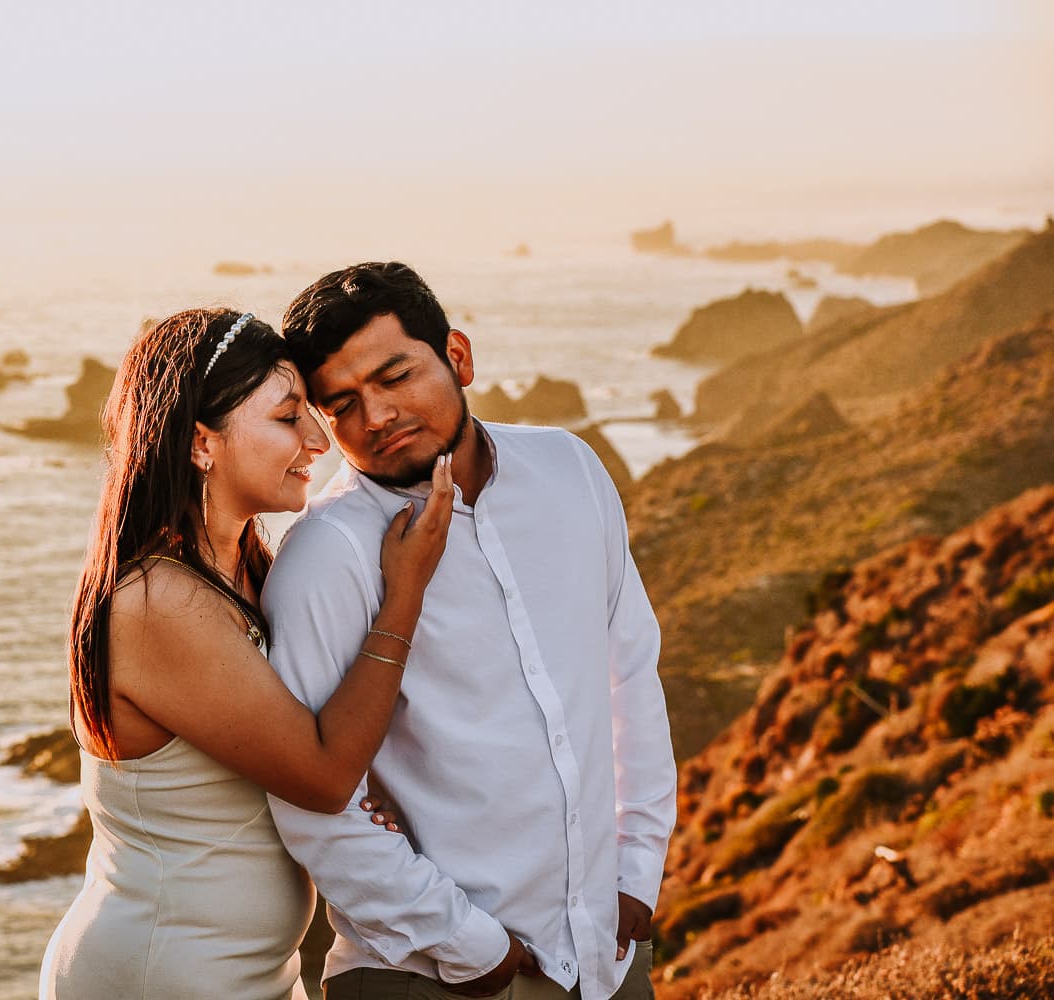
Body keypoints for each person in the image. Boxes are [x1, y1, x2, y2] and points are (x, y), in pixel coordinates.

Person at [262, 263, 678, 1000]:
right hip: (431, 976)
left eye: (397, 376)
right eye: (344, 404)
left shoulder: (570, 468)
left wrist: (638, 865)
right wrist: (468, 945)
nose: (378, 417)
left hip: (605, 956)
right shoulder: (326, 555)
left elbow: (630, 676)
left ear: (458, 356)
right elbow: (313, 798)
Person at [39, 307, 456, 1000]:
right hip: (160, 976)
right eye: (290, 417)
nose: (319, 440)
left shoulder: (248, 571)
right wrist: (404, 592)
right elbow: (321, 777)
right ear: (203, 443)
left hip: (248, 972)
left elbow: (317, 746)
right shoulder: (157, 603)